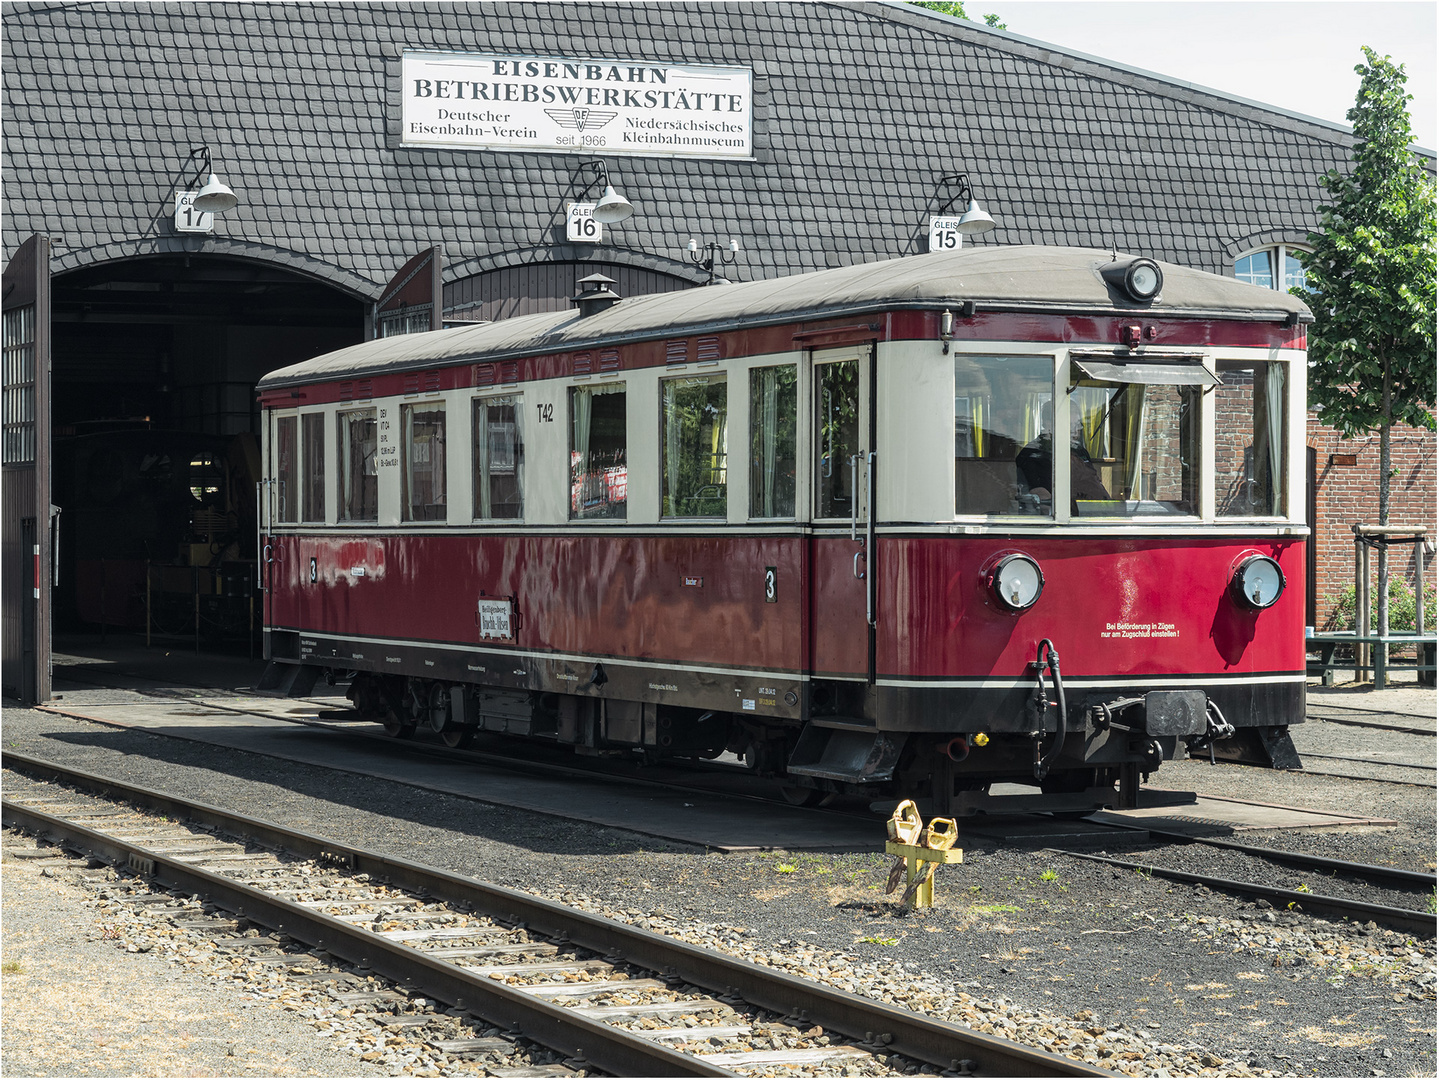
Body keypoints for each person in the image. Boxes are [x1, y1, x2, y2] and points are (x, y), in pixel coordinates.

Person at [1016, 401, 1110, 510]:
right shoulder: (1031, 454)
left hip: (1089, 514)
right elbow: (1042, 498)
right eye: (1070, 425)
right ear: (1048, 424)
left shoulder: (1080, 452)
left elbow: (1094, 485)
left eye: (1077, 424)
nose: (1075, 431)